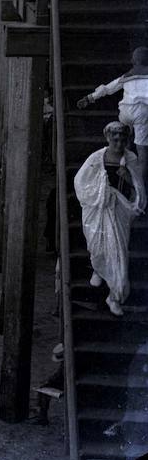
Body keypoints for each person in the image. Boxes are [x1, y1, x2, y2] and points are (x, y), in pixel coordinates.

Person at [73, 121, 145, 316]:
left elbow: (139, 190)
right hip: (98, 208)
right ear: (108, 139)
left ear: (127, 140)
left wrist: (128, 177)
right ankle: (98, 268)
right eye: (115, 140)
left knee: (119, 251)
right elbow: (80, 182)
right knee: (96, 245)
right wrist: (101, 188)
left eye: (123, 140)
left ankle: (115, 296)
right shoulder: (97, 157)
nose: (119, 144)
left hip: (120, 209)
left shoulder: (131, 159)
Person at [79, 47, 148, 184]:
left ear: (134, 62)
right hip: (141, 113)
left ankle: (123, 167)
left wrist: (90, 98)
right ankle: (140, 183)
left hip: (125, 112)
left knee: (124, 141)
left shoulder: (127, 76)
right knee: (142, 149)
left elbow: (108, 88)